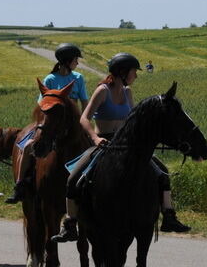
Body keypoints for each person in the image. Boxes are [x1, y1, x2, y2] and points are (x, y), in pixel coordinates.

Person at [51, 52, 190, 243]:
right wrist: (95, 138)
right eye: (134, 71)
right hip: (104, 144)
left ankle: (169, 216)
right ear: (123, 72)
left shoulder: (127, 92)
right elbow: (84, 118)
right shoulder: (103, 91)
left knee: (162, 174)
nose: (136, 76)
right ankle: (70, 224)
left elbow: (133, 120)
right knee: (73, 178)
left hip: (126, 145)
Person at [5, 43, 89, 204]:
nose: (77, 63)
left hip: (71, 125)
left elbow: (84, 102)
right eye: (75, 59)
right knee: (28, 145)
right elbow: (42, 104)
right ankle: (21, 184)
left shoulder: (78, 78)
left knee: (93, 147)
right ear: (67, 61)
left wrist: (84, 121)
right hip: (51, 123)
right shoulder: (50, 79)